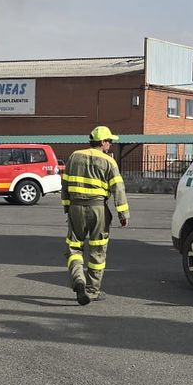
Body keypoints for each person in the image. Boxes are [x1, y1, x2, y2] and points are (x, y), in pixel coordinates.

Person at [61, 125, 130, 305]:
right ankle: (92, 290)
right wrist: (123, 213)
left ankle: (78, 279)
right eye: (109, 141)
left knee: (74, 247)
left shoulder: (74, 156)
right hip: (98, 209)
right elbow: (118, 188)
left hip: (76, 207)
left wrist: (67, 208)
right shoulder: (109, 162)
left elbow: (65, 185)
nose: (111, 145)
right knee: (97, 250)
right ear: (102, 142)